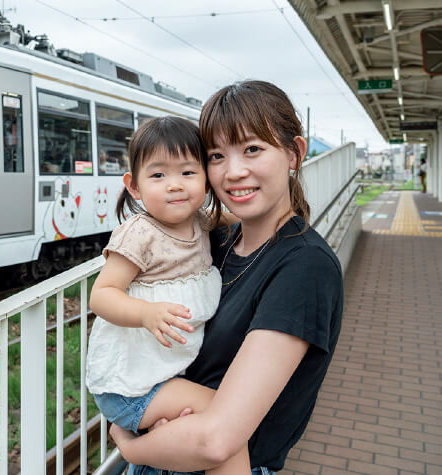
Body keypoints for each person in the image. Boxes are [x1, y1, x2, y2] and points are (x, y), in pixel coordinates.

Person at [110, 80, 344, 474]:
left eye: (253, 149)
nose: (233, 172)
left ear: (294, 153)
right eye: (216, 155)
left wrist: (130, 448)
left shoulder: (305, 267)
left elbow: (217, 440)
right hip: (165, 458)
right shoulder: (214, 241)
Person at [87, 116, 250, 475]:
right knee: (227, 419)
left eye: (188, 173)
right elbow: (101, 296)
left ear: (207, 179)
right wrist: (146, 313)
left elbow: (244, 218)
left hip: (164, 375)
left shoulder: (202, 222)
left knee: (208, 427)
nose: (175, 186)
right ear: (134, 186)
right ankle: (135, 447)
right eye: (158, 176)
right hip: (131, 386)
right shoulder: (139, 234)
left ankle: (145, 447)